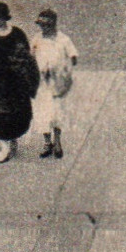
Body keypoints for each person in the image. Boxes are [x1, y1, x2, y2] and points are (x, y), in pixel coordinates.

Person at [0, 3, 39, 163]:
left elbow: (26, 58)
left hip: (15, 81)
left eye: (0, 18)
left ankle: (12, 138)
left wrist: (28, 80)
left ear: (6, 17)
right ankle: (4, 145)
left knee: (16, 112)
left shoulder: (18, 34)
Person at [29, 9, 79, 159]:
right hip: (41, 83)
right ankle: (46, 142)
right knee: (43, 113)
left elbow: (73, 58)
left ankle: (57, 141)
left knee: (57, 112)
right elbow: (30, 57)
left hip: (58, 83)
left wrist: (62, 68)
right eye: (41, 25)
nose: (44, 28)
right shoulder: (37, 39)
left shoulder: (63, 39)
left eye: (47, 25)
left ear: (54, 24)